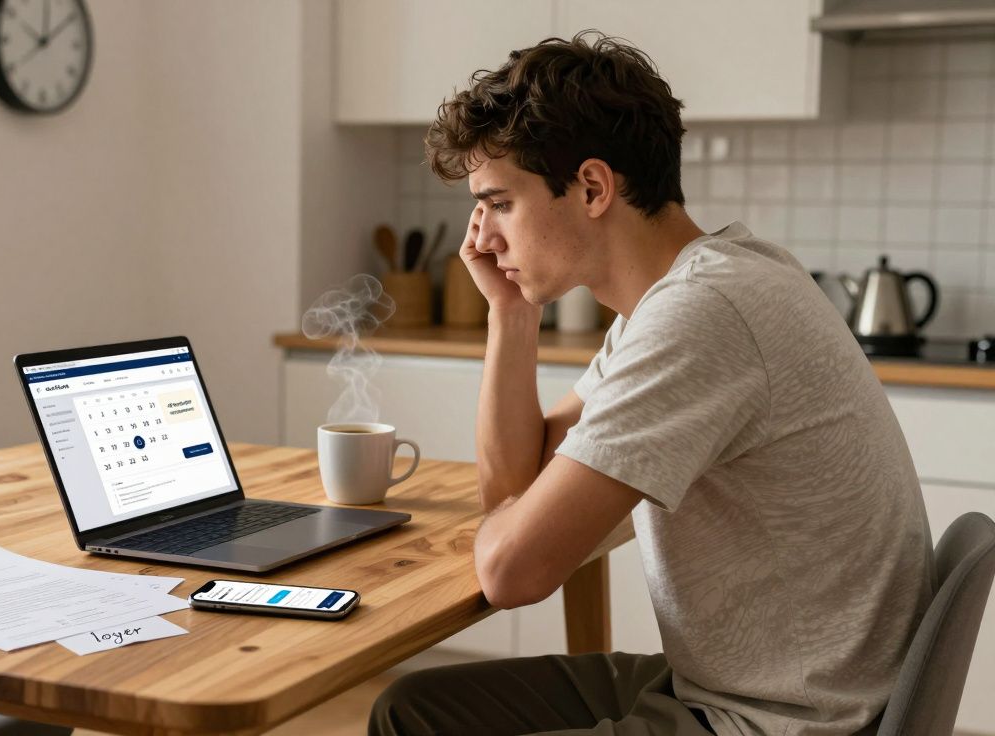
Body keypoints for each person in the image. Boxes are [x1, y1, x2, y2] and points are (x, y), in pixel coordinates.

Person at [369, 32, 935, 736]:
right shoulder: (689, 291)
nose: (483, 239)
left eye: (501, 203)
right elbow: (514, 483)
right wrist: (511, 315)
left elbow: (513, 572)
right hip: (748, 686)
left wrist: (514, 520)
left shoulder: (702, 315)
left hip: (777, 720)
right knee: (412, 707)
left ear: (593, 187)